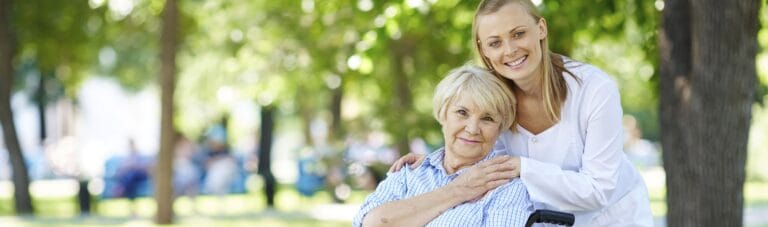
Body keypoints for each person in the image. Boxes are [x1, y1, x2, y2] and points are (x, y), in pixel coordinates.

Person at [389, 0, 653, 226]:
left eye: (518, 34)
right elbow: (482, 158)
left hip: (615, 218)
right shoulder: (491, 101)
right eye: (495, 42)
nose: (510, 50)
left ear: (541, 29)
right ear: (483, 49)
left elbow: (598, 190)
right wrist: (441, 160)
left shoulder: (594, 89)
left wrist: (521, 168)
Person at [354, 65, 533, 226]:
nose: (472, 129)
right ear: (442, 114)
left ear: (500, 127)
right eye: (462, 112)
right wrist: (458, 190)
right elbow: (370, 223)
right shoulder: (409, 173)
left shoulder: (506, 187)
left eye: (487, 118)